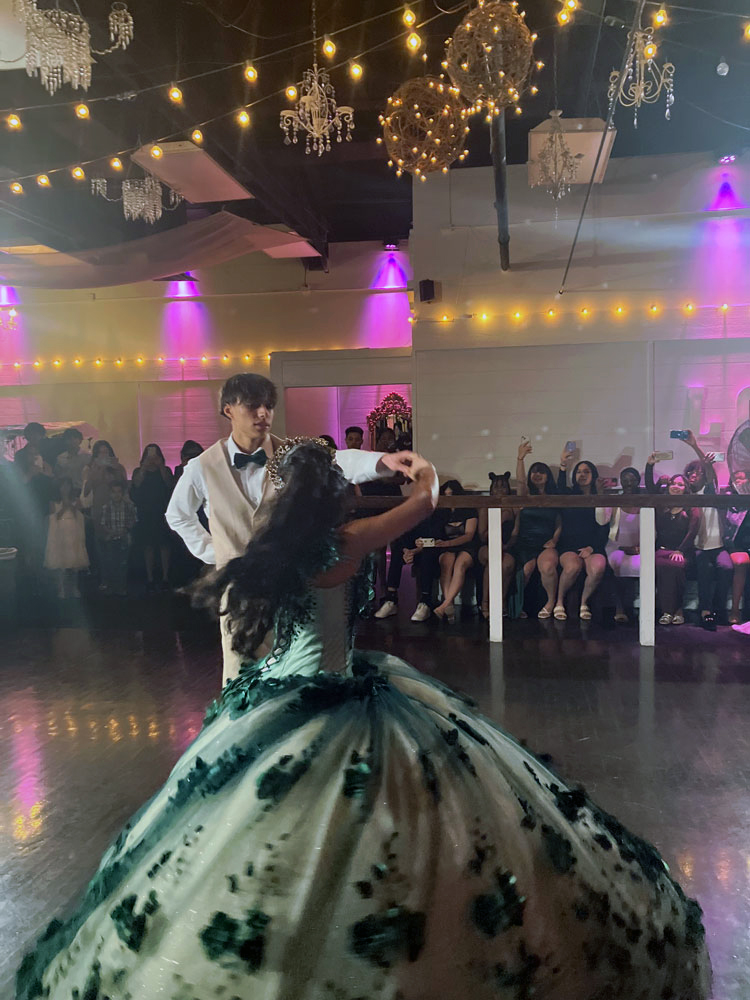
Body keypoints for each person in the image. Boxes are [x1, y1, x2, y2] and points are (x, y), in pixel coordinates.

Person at [17, 439, 711, 1000]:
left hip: (275, 697)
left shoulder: (271, 550)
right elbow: (428, 500)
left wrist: (365, 464)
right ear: (332, 495)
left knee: (256, 830)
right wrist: (416, 466)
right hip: (339, 695)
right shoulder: (344, 542)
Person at [165, 373, 417, 686]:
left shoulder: (292, 455)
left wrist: (383, 461)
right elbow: (178, 515)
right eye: (253, 405)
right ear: (228, 409)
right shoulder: (203, 466)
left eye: (269, 406)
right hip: (240, 591)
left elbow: (337, 460)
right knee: (240, 676)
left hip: (291, 584)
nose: (263, 413)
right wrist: (217, 553)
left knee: (295, 678)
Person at [677, 431, 731, 630]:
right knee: (704, 569)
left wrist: (694, 446)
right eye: (690, 473)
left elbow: (710, 475)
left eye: (697, 472)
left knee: (726, 567)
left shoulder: (709, 491)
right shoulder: (686, 496)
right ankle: (705, 610)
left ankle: (718, 608)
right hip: (698, 547)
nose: (693, 475)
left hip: (717, 545)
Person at [555, 449, 608, 621]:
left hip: (593, 545)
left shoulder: (599, 496)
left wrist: (592, 548)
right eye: (578, 472)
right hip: (569, 545)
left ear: (594, 475)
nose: (582, 475)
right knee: (572, 567)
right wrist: (563, 465)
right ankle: (559, 602)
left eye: (586, 472)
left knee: (598, 567)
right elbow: (560, 488)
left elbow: (604, 527)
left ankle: (584, 603)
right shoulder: (569, 494)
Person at [646, 458, 700, 625]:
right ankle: (670, 611)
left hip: (683, 551)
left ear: (686, 489)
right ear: (668, 487)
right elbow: (650, 489)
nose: (676, 486)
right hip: (662, 549)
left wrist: (680, 550)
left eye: (680, 484)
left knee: (676, 566)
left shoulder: (691, 507)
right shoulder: (661, 506)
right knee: (662, 565)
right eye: (673, 484)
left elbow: (692, 532)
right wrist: (650, 465)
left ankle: (674, 610)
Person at [515, 443, 561, 619]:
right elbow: (520, 482)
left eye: (541, 472)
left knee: (548, 566)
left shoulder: (554, 497)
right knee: (527, 570)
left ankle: (551, 603)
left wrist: (554, 540)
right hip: (525, 543)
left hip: (546, 543)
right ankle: (517, 606)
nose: (537, 474)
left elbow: (559, 522)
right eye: (534, 472)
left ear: (548, 476)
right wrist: (520, 459)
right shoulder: (526, 494)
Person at [596, 467, 642, 623]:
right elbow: (601, 520)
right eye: (625, 480)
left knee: (642, 565)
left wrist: (640, 547)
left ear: (638, 482)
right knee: (619, 563)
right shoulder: (614, 501)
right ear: (621, 482)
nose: (629, 483)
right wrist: (601, 496)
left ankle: (642, 608)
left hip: (639, 548)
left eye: (632, 480)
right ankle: (620, 608)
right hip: (616, 546)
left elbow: (653, 529)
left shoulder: (644, 501)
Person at [428, 479, 478, 622]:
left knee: (460, 564)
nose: (449, 498)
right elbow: (435, 533)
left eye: (452, 494)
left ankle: (445, 604)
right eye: (446, 495)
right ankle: (448, 605)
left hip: (466, 546)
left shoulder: (469, 510)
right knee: (446, 562)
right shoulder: (440, 512)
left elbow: (469, 535)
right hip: (446, 546)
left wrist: (448, 543)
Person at [131, 443, 174, 592]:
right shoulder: (138, 471)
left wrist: (160, 466)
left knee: (164, 545)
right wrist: (144, 466)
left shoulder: (165, 470)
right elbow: (136, 484)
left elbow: (169, 484)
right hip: (146, 512)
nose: (152, 458)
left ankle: (165, 577)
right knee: (148, 545)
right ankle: (150, 578)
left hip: (162, 511)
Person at [477, 472, 519, 620]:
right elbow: (482, 535)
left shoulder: (514, 507)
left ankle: (501, 601)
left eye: (503, 487)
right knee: (494, 558)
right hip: (487, 546)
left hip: (507, 546)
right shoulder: (485, 507)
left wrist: (507, 545)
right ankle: (485, 602)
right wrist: (500, 520)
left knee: (507, 564)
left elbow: (515, 532)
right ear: (491, 489)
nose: (500, 490)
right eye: (496, 487)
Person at [44, 477, 89, 598]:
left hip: (73, 532)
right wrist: (64, 506)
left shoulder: (76, 500)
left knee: (74, 562)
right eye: (63, 486)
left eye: (68, 485)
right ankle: (61, 588)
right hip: (60, 533)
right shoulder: (53, 501)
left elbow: (80, 515)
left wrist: (72, 506)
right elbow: (53, 517)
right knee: (61, 563)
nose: (65, 488)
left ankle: (74, 588)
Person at [99, 480, 137, 596]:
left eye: (119, 492)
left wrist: (125, 530)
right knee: (111, 562)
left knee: (123, 563)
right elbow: (103, 523)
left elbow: (134, 520)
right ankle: (111, 586)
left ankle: (122, 587)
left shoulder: (128, 506)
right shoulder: (106, 507)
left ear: (123, 493)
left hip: (125, 538)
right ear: (110, 493)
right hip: (111, 538)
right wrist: (111, 532)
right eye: (114, 492)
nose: (116, 495)